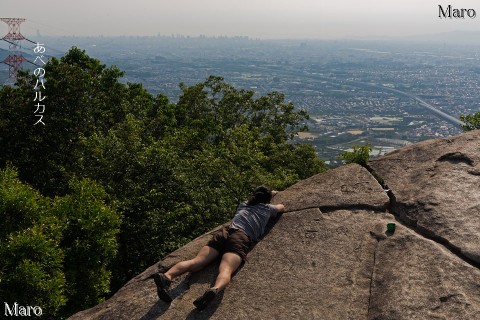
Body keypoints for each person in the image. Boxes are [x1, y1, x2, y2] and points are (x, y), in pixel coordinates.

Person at [153, 185, 285, 310]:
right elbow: (281, 207)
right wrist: (272, 195)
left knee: (197, 261)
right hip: (240, 238)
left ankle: (167, 276)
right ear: (267, 200)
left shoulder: (243, 205)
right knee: (226, 270)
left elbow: (260, 197)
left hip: (225, 233)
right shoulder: (268, 209)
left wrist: (267, 194)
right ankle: (214, 290)